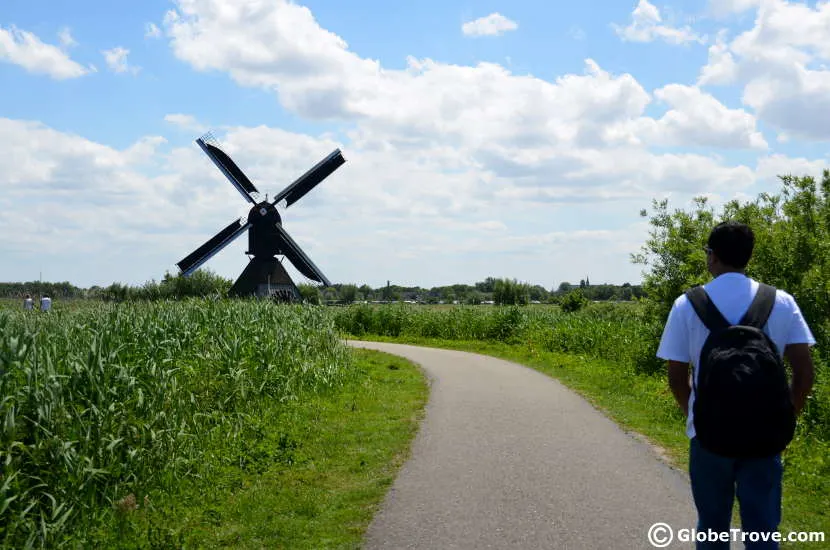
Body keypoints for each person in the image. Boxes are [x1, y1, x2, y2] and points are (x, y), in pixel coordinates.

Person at [656, 221, 816, 549]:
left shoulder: (687, 304)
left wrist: (697, 417)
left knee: (712, 527)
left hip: (709, 438)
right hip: (765, 437)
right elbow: (804, 373)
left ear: (711, 256)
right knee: (762, 529)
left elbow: (676, 376)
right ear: (748, 256)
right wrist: (784, 417)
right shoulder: (781, 301)